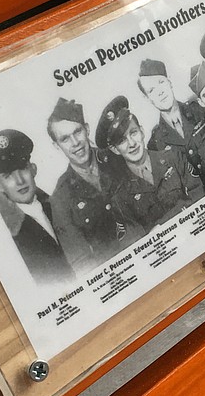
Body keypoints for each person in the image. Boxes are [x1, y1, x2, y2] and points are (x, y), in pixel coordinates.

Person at [46, 97, 143, 274]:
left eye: (77, 132)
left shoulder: (119, 157)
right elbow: (82, 263)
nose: (75, 143)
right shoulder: (60, 199)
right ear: (56, 146)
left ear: (87, 129)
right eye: (65, 139)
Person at [0, 128, 74, 286]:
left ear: (33, 169)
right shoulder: (3, 233)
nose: (19, 181)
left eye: (22, 168)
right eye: (8, 175)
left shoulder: (59, 204)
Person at [95, 95, 203, 231]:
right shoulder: (120, 196)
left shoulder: (173, 157)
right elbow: (136, 238)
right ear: (115, 150)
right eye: (122, 141)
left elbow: (199, 194)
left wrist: (162, 225)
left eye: (133, 133)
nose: (132, 144)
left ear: (142, 131)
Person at [135, 58, 205, 194]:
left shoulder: (200, 111)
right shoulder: (155, 145)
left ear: (169, 81)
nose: (160, 92)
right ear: (147, 98)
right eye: (151, 90)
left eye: (161, 82)